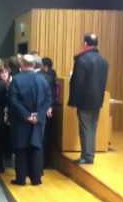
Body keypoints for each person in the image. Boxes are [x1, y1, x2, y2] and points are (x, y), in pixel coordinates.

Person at [8, 55, 52, 185]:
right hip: (38, 120)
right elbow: (49, 99)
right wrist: (38, 115)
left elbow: (13, 100)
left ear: (22, 64)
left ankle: (21, 179)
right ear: (34, 65)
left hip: (21, 120)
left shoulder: (15, 80)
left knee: (21, 148)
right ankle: (36, 179)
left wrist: (26, 115)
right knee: (36, 147)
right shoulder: (42, 80)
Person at [68, 33, 109, 165]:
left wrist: (73, 100)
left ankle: (86, 156)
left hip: (84, 99)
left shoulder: (82, 60)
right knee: (92, 127)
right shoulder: (104, 61)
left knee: (85, 128)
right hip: (97, 99)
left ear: (85, 44)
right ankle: (89, 155)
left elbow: (77, 82)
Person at [39, 57, 58, 167]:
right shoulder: (53, 75)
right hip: (50, 108)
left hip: (44, 109)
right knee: (47, 136)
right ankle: (46, 161)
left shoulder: (43, 77)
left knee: (42, 136)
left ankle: (42, 162)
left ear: (44, 66)